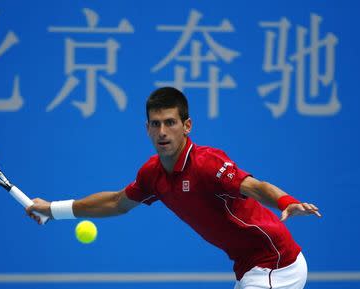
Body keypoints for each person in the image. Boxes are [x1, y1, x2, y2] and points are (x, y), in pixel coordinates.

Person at [26, 87, 321, 289]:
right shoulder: (152, 174)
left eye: (170, 122)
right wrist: (53, 210)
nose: (162, 132)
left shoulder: (207, 163)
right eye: (155, 124)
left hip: (276, 263)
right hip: (249, 267)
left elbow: (254, 186)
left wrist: (285, 201)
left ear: (187, 125)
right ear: (147, 129)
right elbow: (117, 203)